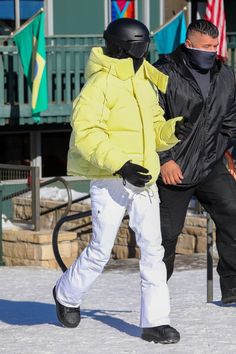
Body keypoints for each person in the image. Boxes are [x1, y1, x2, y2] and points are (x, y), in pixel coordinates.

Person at [52, 18, 190, 344]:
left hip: (144, 179)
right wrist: (121, 165)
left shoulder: (144, 82)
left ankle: (155, 322)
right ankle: (66, 294)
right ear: (125, 47)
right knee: (101, 249)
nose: (146, 52)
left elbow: (155, 130)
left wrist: (172, 130)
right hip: (111, 179)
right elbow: (86, 134)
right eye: (141, 46)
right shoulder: (99, 86)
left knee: (153, 250)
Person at [153, 19, 236, 305]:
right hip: (173, 169)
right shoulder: (162, 73)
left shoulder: (225, 75)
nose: (212, 51)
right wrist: (164, 160)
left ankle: (233, 288)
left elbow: (231, 119)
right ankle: (155, 296)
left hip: (210, 164)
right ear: (189, 45)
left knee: (233, 214)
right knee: (165, 235)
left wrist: (222, 150)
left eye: (215, 46)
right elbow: (149, 122)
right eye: (206, 47)